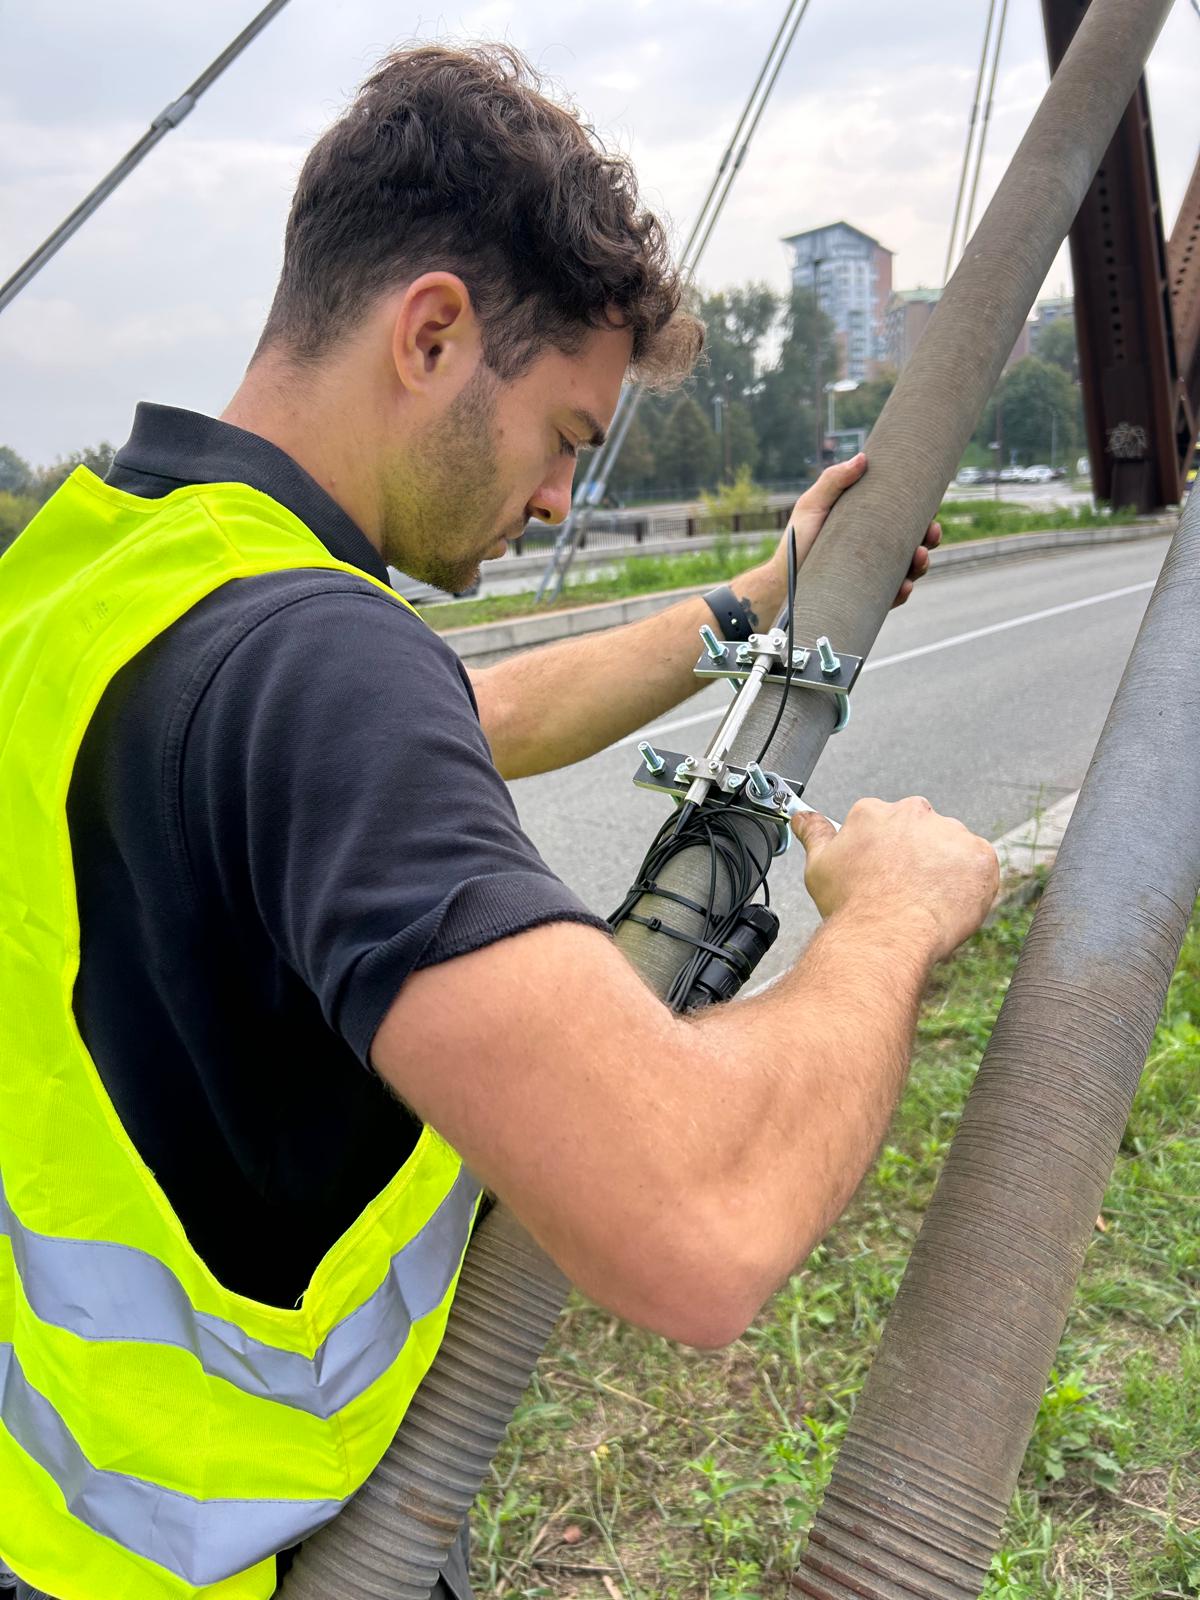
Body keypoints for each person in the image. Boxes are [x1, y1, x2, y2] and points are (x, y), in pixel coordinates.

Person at [0, 42, 998, 1600]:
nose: (553, 503)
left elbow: (464, 720)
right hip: (186, 1554)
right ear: (433, 334)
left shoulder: (93, 574)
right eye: (566, 441)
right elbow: (695, 1223)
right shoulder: (319, 665)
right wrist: (893, 919)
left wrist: (756, 598)